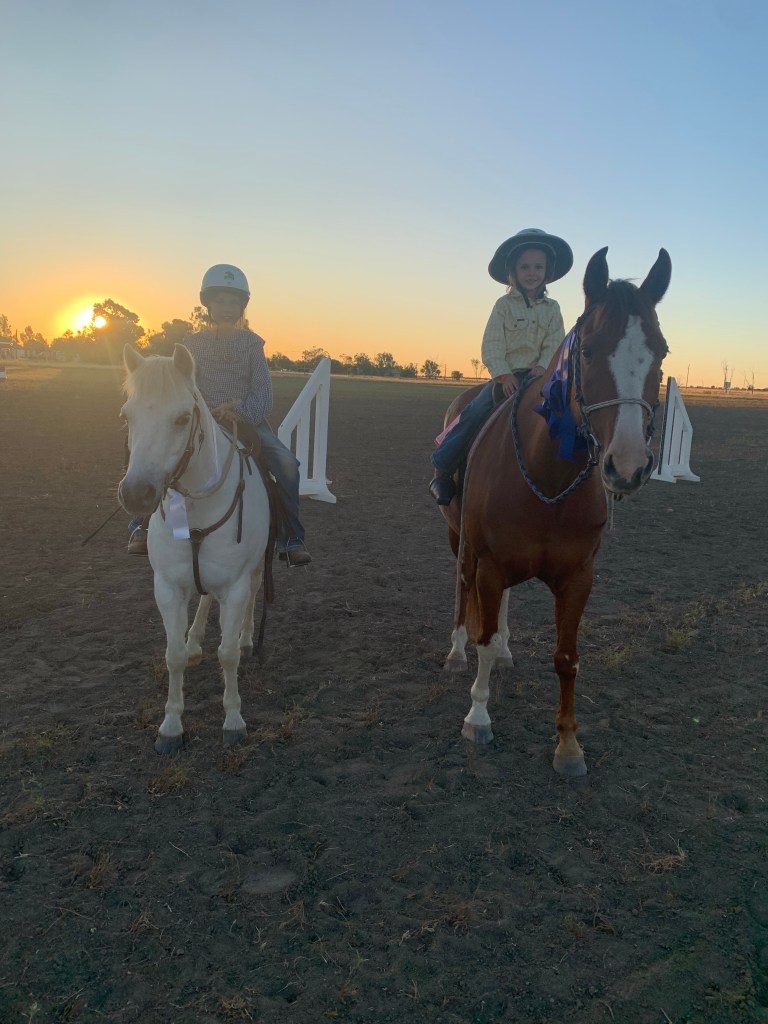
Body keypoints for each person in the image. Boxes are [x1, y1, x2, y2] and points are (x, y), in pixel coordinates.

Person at [128, 264, 311, 567]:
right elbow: (184, 385)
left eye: (234, 303)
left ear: (242, 307)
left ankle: (291, 537)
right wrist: (203, 411)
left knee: (288, 465)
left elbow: (262, 390)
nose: (227, 308)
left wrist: (242, 413)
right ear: (208, 305)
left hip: (246, 419)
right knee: (167, 454)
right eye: (220, 301)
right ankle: (145, 524)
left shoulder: (253, 344)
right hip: (202, 417)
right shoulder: (192, 345)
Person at [428, 228, 573, 505]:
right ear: (514, 272)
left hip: (541, 377)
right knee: (474, 412)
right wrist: (504, 375)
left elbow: (556, 342)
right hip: (507, 377)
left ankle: (582, 472)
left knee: (572, 416)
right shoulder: (503, 306)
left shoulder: (553, 308)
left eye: (538, 267)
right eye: (525, 267)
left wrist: (543, 367)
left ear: (547, 271)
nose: (532, 273)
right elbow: (492, 343)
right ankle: (443, 469)